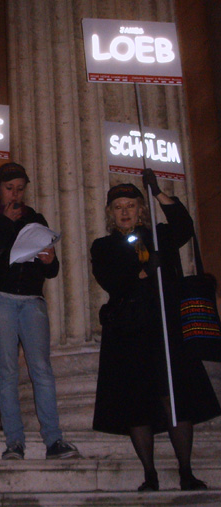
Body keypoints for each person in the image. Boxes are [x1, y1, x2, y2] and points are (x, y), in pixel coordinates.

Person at [90, 169, 221, 491]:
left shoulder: (159, 235)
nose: (125, 211)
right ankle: (150, 473)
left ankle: (186, 470)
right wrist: (141, 271)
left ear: (140, 209)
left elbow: (184, 227)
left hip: (164, 326)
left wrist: (158, 191)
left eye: (131, 205)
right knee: (136, 404)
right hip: (128, 330)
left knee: (173, 396)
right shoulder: (103, 245)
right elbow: (110, 279)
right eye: (118, 206)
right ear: (111, 213)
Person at [0, 162, 79, 460]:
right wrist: (4, 222)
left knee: (41, 369)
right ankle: (14, 442)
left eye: (20, 189)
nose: (15, 195)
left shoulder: (36, 218)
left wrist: (49, 260)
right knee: (6, 370)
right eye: (9, 189)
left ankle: (54, 440)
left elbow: (53, 270)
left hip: (32, 300)